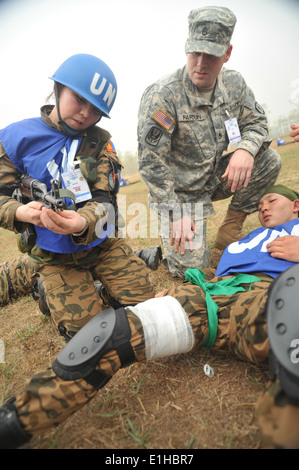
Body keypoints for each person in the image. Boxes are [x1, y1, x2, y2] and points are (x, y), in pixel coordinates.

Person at [1, 184, 299, 449]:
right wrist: (178, 290)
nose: (263, 207)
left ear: (296, 205)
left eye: (271, 200)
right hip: (211, 302)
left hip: (278, 298)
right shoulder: (245, 242)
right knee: (112, 333)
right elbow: (218, 273)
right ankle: (15, 421)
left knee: (285, 422)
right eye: (259, 204)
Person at [0, 53, 155, 341]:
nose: (85, 113)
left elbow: (106, 201)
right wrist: (23, 213)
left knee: (147, 308)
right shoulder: (14, 139)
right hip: (53, 255)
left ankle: (96, 290)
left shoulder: (99, 141)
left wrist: (81, 222)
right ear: (58, 88)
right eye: (79, 99)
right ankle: (48, 290)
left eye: (95, 109)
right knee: (88, 337)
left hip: (101, 243)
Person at [137, 6, 281, 278]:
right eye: (195, 53)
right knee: (196, 273)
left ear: (227, 53)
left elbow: (257, 124)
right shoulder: (164, 96)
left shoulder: (235, 84)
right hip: (179, 195)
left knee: (269, 160)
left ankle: (230, 226)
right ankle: (162, 250)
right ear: (186, 48)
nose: (201, 64)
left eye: (211, 55)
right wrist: (176, 212)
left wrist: (245, 151)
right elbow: (149, 162)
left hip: (214, 177)